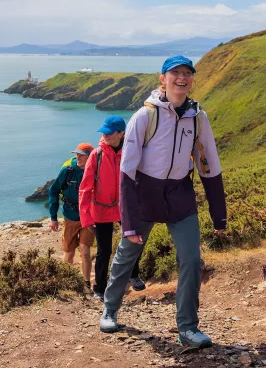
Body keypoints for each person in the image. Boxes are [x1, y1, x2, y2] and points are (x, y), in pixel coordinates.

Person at [99, 56, 227, 348]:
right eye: (175, 73)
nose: (181, 78)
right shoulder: (145, 116)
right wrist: (129, 221)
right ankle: (110, 308)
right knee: (127, 254)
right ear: (163, 79)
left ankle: (188, 328)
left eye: (187, 74)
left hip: (180, 194)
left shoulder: (198, 117)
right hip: (146, 193)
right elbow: (127, 171)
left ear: (191, 79)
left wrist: (219, 214)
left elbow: (210, 164)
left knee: (192, 260)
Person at [79, 116, 146, 301]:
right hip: (101, 211)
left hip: (124, 208)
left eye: (109, 132)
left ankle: (133, 275)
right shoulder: (97, 154)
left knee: (134, 242)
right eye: (104, 132)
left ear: (121, 133)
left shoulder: (131, 151)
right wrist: (86, 219)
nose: (105, 135)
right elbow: (85, 188)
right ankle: (99, 287)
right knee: (104, 251)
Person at [49, 142, 96, 290]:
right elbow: (53, 190)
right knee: (69, 253)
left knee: (85, 251)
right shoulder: (67, 171)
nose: (78, 158)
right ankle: (66, 281)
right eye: (77, 155)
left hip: (88, 218)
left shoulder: (95, 170)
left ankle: (86, 282)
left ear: (90, 156)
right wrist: (53, 217)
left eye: (81, 155)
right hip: (70, 217)